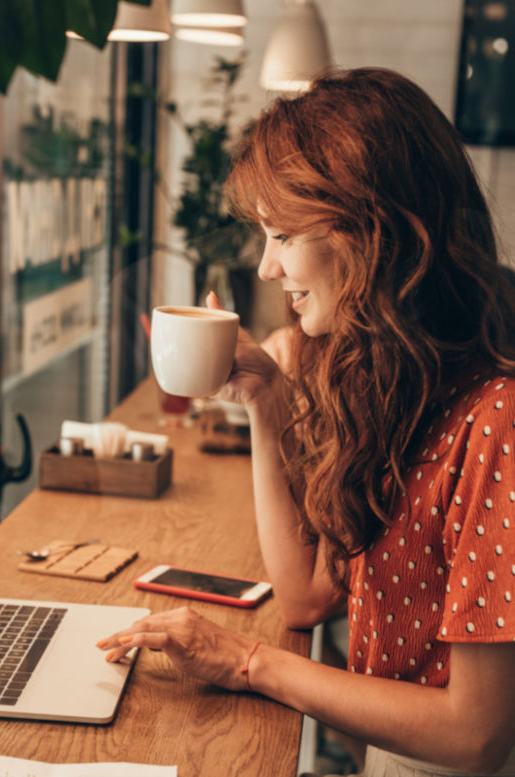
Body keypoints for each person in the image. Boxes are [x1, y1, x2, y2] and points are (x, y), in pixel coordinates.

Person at [97, 68, 515, 776]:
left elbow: (473, 734)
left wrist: (246, 661)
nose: (265, 268)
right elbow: (306, 597)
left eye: (283, 234)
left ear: (374, 234)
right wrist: (266, 400)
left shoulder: (495, 418)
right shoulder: (387, 382)